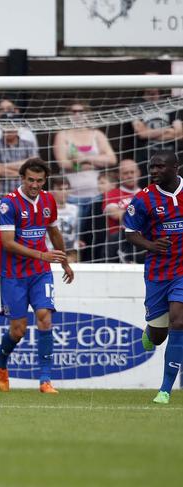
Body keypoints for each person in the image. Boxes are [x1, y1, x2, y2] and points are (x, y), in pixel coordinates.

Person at [0, 158, 74, 394]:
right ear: (22, 178)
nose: (35, 185)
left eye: (39, 180)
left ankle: (45, 380)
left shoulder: (49, 200)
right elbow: (8, 244)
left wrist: (65, 262)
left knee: (44, 317)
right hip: (13, 274)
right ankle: (1, 363)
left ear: (45, 180)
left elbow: (53, 230)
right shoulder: (9, 204)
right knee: (18, 330)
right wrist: (42, 255)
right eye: (31, 180)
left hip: (40, 272)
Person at [123, 151, 183, 405]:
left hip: (182, 272)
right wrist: (150, 244)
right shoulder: (144, 199)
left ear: (175, 167)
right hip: (158, 273)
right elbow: (130, 232)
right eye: (152, 167)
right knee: (159, 335)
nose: (154, 171)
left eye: (160, 166)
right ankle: (151, 331)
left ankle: (165, 389)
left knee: (179, 321)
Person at [53, 101, 117, 205]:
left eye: (81, 111)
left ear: (87, 114)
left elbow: (112, 159)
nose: (77, 115)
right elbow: (63, 163)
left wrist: (85, 159)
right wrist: (92, 164)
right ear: (68, 114)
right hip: (71, 195)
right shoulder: (62, 135)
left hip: (97, 193)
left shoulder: (97, 134)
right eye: (73, 112)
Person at [0, 112, 38, 195]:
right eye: (6, 125)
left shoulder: (29, 145)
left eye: (12, 125)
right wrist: (22, 173)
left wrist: (3, 166)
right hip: (2, 194)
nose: (9, 129)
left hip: (25, 193)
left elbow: (34, 167)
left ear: (18, 126)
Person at [102, 159, 141, 262]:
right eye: (125, 173)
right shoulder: (112, 194)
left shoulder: (147, 194)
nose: (129, 176)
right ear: (119, 176)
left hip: (142, 240)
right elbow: (115, 214)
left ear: (139, 173)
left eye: (132, 172)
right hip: (118, 241)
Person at [48, 176, 82, 263]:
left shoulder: (75, 209)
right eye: (60, 189)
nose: (64, 192)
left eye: (66, 189)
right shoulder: (45, 210)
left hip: (70, 251)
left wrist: (77, 241)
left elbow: (76, 232)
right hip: (50, 251)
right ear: (51, 191)